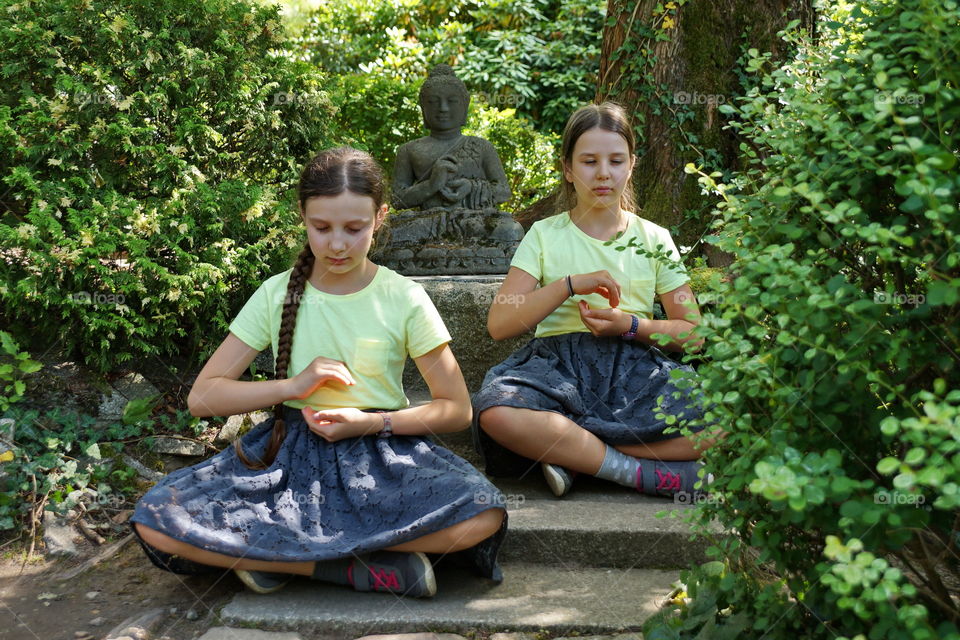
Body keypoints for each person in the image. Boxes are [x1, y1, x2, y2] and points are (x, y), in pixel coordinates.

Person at [130, 147, 507, 598]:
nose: (337, 244)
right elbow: (204, 398)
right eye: (321, 227)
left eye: (355, 228)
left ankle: (275, 558)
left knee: (486, 514)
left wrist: (372, 422)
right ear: (303, 218)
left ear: (380, 217)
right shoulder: (277, 295)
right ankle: (344, 569)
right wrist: (294, 386)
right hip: (289, 455)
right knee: (156, 517)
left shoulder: (404, 297)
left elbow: (456, 409)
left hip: (382, 452)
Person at [473, 102, 714, 499]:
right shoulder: (544, 234)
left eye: (616, 160)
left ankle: (576, 455)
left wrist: (632, 325)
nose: (603, 173)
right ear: (568, 168)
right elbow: (500, 323)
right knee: (497, 411)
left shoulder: (655, 239)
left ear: (631, 165)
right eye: (589, 161)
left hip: (634, 367)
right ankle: (639, 473)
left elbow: (694, 334)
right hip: (555, 368)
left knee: (721, 423)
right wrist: (568, 284)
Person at [392, 64, 511, 211]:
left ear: (464, 106)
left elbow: (504, 192)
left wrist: (470, 187)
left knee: (510, 230)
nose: (443, 108)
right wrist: (431, 185)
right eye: (434, 102)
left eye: (452, 101)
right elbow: (397, 200)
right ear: (423, 107)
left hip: (475, 221)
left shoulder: (482, 147)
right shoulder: (409, 150)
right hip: (427, 222)